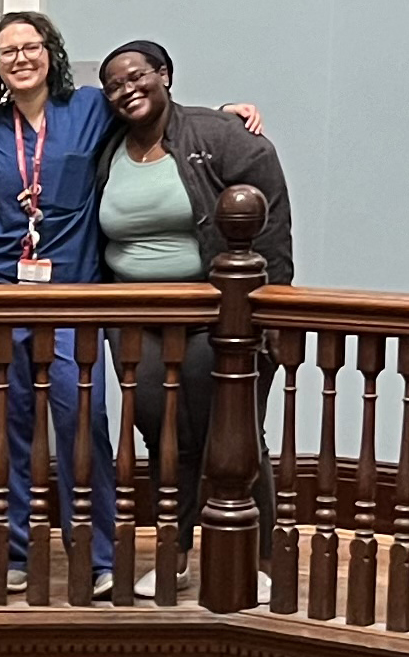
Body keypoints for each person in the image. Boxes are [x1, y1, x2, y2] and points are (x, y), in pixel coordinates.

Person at [0, 12, 262, 599]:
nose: (20, 58)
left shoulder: (92, 108)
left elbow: (152, 111)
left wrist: (226, 116)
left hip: (75, 292)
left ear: (51, 52)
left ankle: (97, 553)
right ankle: (17, 549)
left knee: (83, 424)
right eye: (6, 52)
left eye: (31, 46)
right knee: (3, 424)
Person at [95, 39, 286, 603]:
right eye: (114, 84)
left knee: (235, 437)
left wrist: (269, 304)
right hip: (135, 319)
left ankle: (258, 559)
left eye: (138, 76)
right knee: (163, 439)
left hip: (216, 315)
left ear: (165, 75)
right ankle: (175, 556)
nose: (127, 89)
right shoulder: (109, 146)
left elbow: (271, 221)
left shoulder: (216, 135)